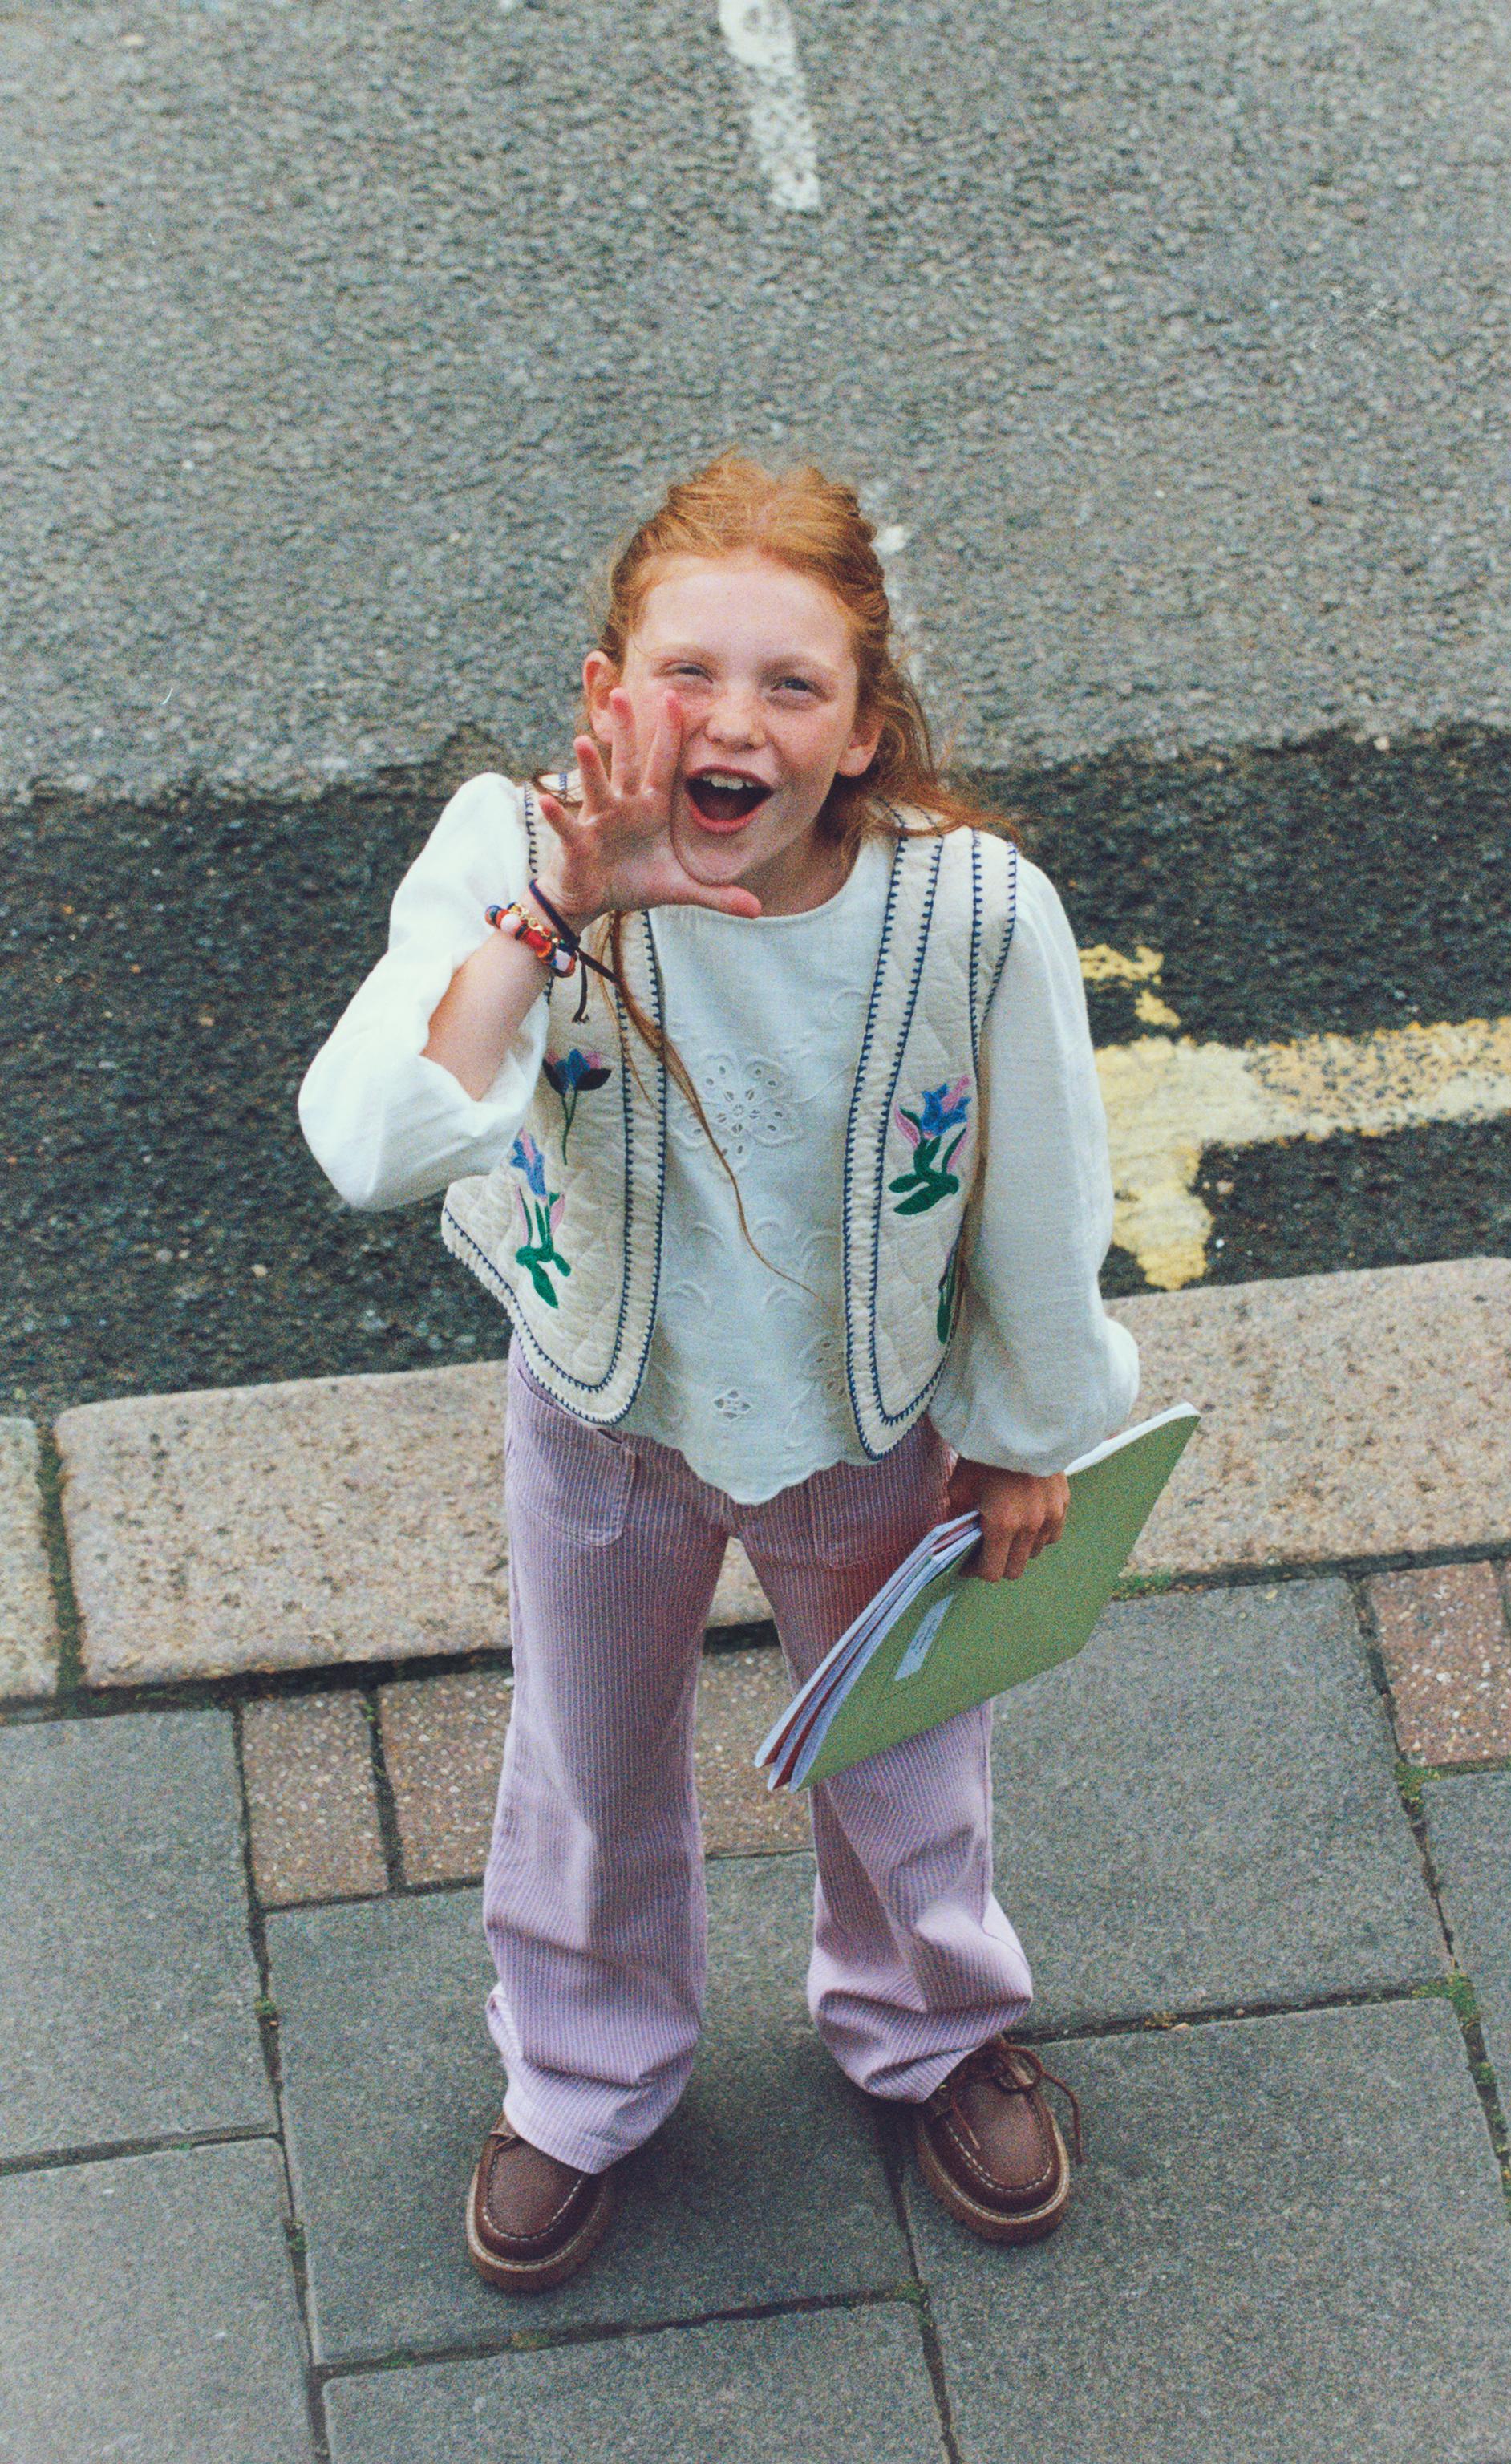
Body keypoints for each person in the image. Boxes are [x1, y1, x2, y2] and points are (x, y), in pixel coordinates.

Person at [299, 453, 1140, 2290]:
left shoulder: (970, 911)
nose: (734, 721)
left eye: (792, 684)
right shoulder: (510, 856)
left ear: (861, 729)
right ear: (609, 694)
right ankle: (583, 2074)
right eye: (688, 673)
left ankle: (929, 2025)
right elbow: (373, 1143)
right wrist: (558, 913)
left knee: (903, 1750)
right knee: (587, 1765)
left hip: (863, 1430)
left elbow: (1038, 1193)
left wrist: (1026, 1434)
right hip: (606, 1427)